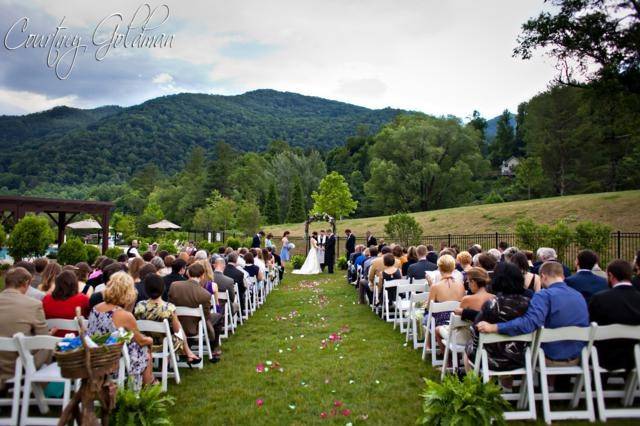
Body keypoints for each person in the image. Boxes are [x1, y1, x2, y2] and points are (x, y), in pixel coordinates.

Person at [477, 261, 589, 366]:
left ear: (543, 276)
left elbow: (528, 323)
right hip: (578, 356)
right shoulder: (578, 295)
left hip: (548, 357)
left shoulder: (544, 295)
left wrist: (494, 327)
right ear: (562, 276)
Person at [88, 271, 154, 386]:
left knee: (136, 346)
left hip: (95, 354)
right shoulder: (123, 315)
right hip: (113, 358)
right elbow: (140, 340)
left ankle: (149, 382)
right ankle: (149, 383)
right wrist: (150, 340)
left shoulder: (96, 308)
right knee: (145, 348)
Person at [464, 262, 532, 372]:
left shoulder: (492, 304)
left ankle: (471, 383)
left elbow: (476, 330)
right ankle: (506, 386)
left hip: (492, 358)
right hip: (522, 357)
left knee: (468, 346)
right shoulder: (529, 303)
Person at [0, 267, 51, 388]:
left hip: (5, 362)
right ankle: (39, 386)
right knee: (48, 343)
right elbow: (43, 338)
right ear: (26, 283)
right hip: (19, 364)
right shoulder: (33, 304)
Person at [134, 274, 201, 365]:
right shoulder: (169, 308)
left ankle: (188, 353)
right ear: (163, 288)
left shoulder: (139, 306)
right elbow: (178, 331)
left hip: (144, 343)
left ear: (146, 289)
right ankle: (188, 352)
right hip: (165, 345)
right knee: (179, 330)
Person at [588, 259, 640, 371]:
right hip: (635, 358)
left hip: (603, 358)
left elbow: (590, 326)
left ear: (611, 275)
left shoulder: (599, 299)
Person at [169, 263, 223, 362]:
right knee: (218, 316)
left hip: (175, 326)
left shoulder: (174, 286)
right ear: (202, 276)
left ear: (188, 273)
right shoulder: (205, 294)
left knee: (215, 317)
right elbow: (206, 317)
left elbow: (170, 306)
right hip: (194, 328)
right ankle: (214, 347)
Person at [42, 270, 90, 337]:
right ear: (75, 284)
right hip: (76, 341)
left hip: (51, 340)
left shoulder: (46, 299)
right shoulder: (83, 299)